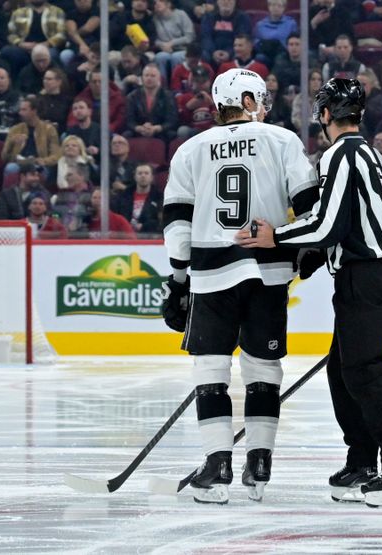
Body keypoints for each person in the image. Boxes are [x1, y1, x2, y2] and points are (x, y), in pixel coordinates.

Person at [235, 76, 382, 508]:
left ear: (324, 116)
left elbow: (327, 225)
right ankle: (362, 461)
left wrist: (276, 237)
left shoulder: (339, 155)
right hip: (377, 274)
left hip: (366, 275)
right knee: (342, 370)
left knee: (364, 372)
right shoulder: (376, 156)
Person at [161, 68, 318, 504]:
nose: (264, 106)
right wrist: (307, 255)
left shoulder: (191, 149)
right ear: (248, 101)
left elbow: (177, 224)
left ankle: (217, 467)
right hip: (269, 273)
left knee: (210, 370)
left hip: (212, 274)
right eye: (260, 99)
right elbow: (309, 210)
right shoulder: (283, 140)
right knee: (263, 370)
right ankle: (260, 463)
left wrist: (178, 281)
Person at [1, 96, 61, 176]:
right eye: (20, 110)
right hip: (20, 163)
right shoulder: (15, 129)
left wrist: (44, 161)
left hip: (38, 163)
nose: (20, 113)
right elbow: (4, 157)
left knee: (43, 171)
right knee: (10, 168)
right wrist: (11, 142)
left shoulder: (49, 129)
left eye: (24, 110)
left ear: (34, 111)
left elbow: (56, 155)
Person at [124, 63, 179, 142]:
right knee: (126, 134)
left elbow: (172, 120)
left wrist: (156, 128)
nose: (149, 78)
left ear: (159, 78)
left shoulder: (168, 96)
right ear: (142, 77)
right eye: (146, 75)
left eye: (153, 76)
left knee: (172, 135)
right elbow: (129, 120)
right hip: (139, 131)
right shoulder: (132, 96)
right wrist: (139, 128)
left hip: (161, 131)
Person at [114, 163, 162, 236]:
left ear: (152, 177)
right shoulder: (124, 196)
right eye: (140, 173)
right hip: (125, 237)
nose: (143, 176)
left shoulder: (159, 197)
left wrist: (144, 226)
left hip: (149, 237)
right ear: (135, 177)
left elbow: (161, 221)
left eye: (146, 173)